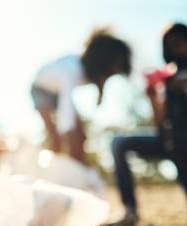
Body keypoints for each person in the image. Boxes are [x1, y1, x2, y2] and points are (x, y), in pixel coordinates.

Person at [111, 23, 187, 226]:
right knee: (119, 143)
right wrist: (153, 97)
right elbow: (160, 123)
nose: (177, 47)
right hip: (171, 143)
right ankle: (130, 210)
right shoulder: (168, 77)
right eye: (171, 45)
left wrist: (186, 81)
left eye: (180, 41)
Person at [31, 29, 132, 163]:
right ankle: (52, 171)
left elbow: (102, 80)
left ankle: (79, 167)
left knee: (82, 136)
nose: (108, 76)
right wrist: (69, 134)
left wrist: (101, 92)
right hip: (41, 89)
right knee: (57, 138)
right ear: (101, 63)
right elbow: (66, 110)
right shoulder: (70, 70)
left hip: (58, 92)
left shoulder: (94, 73)